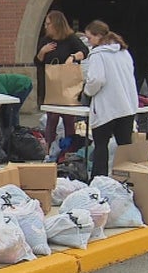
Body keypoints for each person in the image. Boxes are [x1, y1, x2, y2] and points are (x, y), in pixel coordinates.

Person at [81, 20, 139, 178]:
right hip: (126, 105)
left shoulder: (98, 55)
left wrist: (87, 91)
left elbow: (96, 80)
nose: (88, 41)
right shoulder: (124, 52)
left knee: (101, 146)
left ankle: (99, 181)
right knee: (125, 146)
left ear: (98, 36)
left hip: (107, 106)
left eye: (90, 37)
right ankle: (130, 179)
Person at [34, 10, 89, 145]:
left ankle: (69, 147)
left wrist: (73, 57)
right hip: (49, 85)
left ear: (57, 24)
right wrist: (43, 51)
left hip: (67, 85)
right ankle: (49, 148)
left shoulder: (71, 39)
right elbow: (37, 62)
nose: (46, 27)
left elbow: (84, 51)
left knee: (69, 119)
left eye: (48, 24)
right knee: (51, 119)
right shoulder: (45, 40)